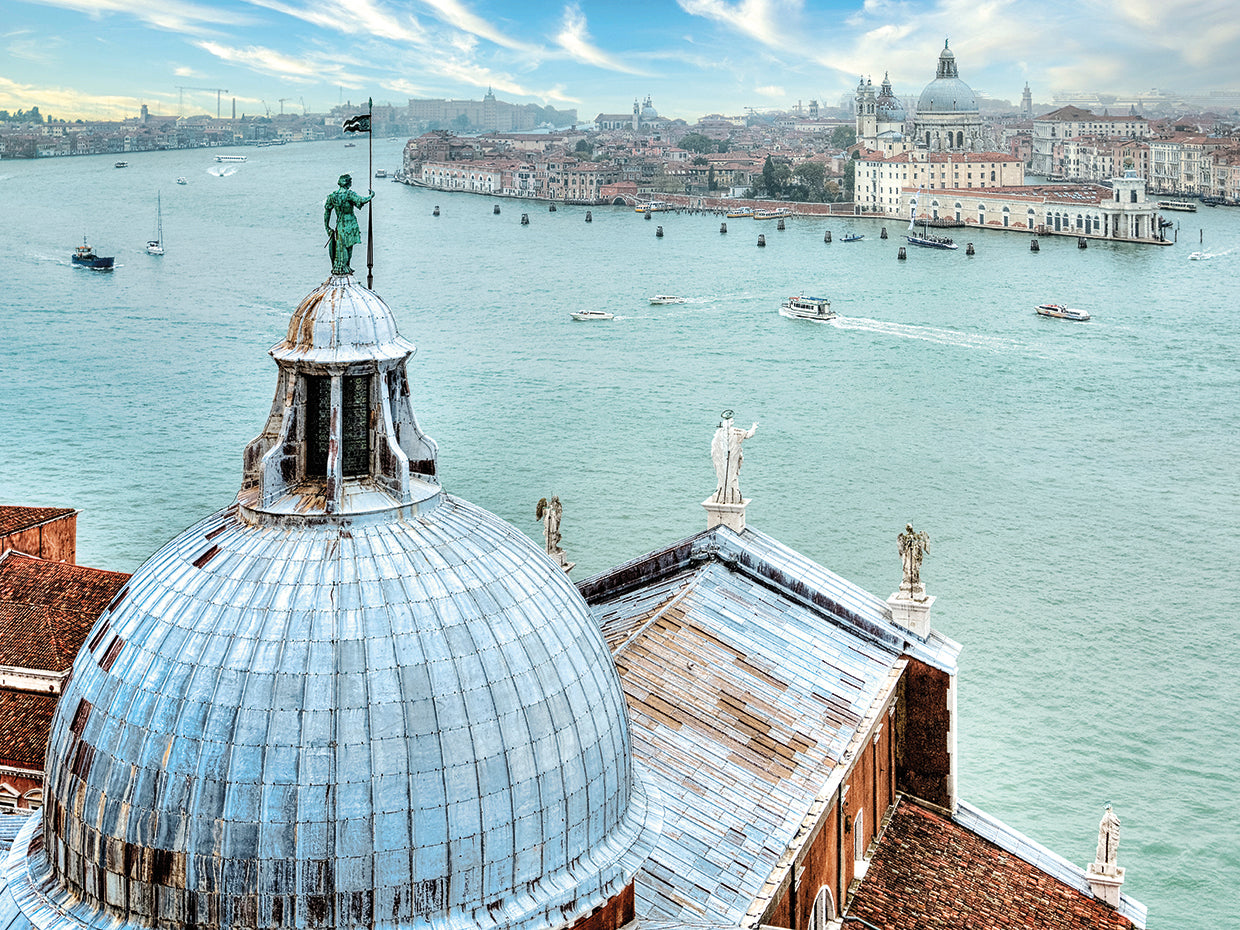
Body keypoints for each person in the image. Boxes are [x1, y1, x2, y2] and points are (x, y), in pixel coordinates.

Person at [324, 174, 374, 275]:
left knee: (341, 246)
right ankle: (345, 266)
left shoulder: (332, 196)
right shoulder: (349, 195)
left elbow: (327, 211)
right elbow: (362, 200)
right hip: (351, 224)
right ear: (347, 183)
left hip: (340, 225)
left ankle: (343, 266)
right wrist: (371, 195)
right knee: (348, 247)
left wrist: (327, 226)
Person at [711, 412, 758, 504]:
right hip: (730, 460)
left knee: (724, 475)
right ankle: (730, 493)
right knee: (731, 475)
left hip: (724, 460)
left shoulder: (719, 434)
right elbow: (748, 434)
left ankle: (724, 492)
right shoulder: (736, 433)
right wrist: (754, 427)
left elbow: (714, 450)